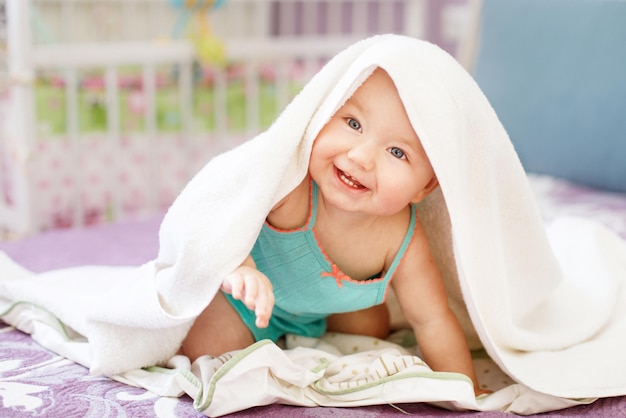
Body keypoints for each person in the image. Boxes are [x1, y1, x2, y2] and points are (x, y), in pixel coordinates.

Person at [180, 68, 486, 395]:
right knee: (209, 351)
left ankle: (308, 330)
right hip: (241, 301)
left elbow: (432, 320)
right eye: (353, 124)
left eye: (397, 152)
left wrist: (467, 389)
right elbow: (219, 211)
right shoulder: (292, 189)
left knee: (372, 327)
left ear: (424, 187)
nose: (361, 157)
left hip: (317, 312)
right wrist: (239, 266)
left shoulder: (402, 238)